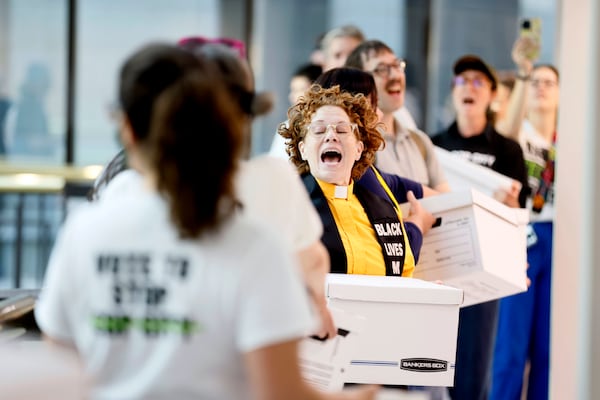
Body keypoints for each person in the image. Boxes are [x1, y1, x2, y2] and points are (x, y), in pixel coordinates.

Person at [35, 43, 377, 400]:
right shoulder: (255, 246)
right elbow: (281, 392)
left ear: (129, 131)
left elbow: (60, 368)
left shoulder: (85, 232)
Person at [89, 37, 336, 340]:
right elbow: (311, 262)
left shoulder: (116, 196)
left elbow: (67, 348)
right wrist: (317, 309)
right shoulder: (271, 191)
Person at [431, 54, 529, 400]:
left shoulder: (508, 151)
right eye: (461, 81)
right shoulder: (434, 146)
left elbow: (518, 217)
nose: (468, 87)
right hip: (440, 269)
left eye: (477, 81)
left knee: (475, 366)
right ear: (453, 92)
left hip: (484, 273)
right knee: (432, 367)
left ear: (491, 95)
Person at [279, 84, 435, 277]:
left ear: (359, 149)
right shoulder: (287, 208)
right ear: (303, 149)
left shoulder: (385, 209)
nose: (331, 136)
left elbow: (404, 275)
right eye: (319, 131)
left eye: (342, 130)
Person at [491, 64, 559, 400]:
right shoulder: (520, 132)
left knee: (550, 346)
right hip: (525, 235)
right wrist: (522, 72)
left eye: (549, 82)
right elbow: (504, 129)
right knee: (511, 342)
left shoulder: (572, 137)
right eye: (536, 82)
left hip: (561, 236)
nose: (542, 88)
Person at [345, 40, 450, 192]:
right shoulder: (356, 146)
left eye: (397, 66)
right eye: (381, 69)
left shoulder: (420, 141)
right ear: (360, 83)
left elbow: (448, 203)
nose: (395, 75)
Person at [270, 62, 322, 158]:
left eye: (299, 90)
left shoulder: (326, 126)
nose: (293, 96)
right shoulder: (286, 128)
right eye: (293, 90)